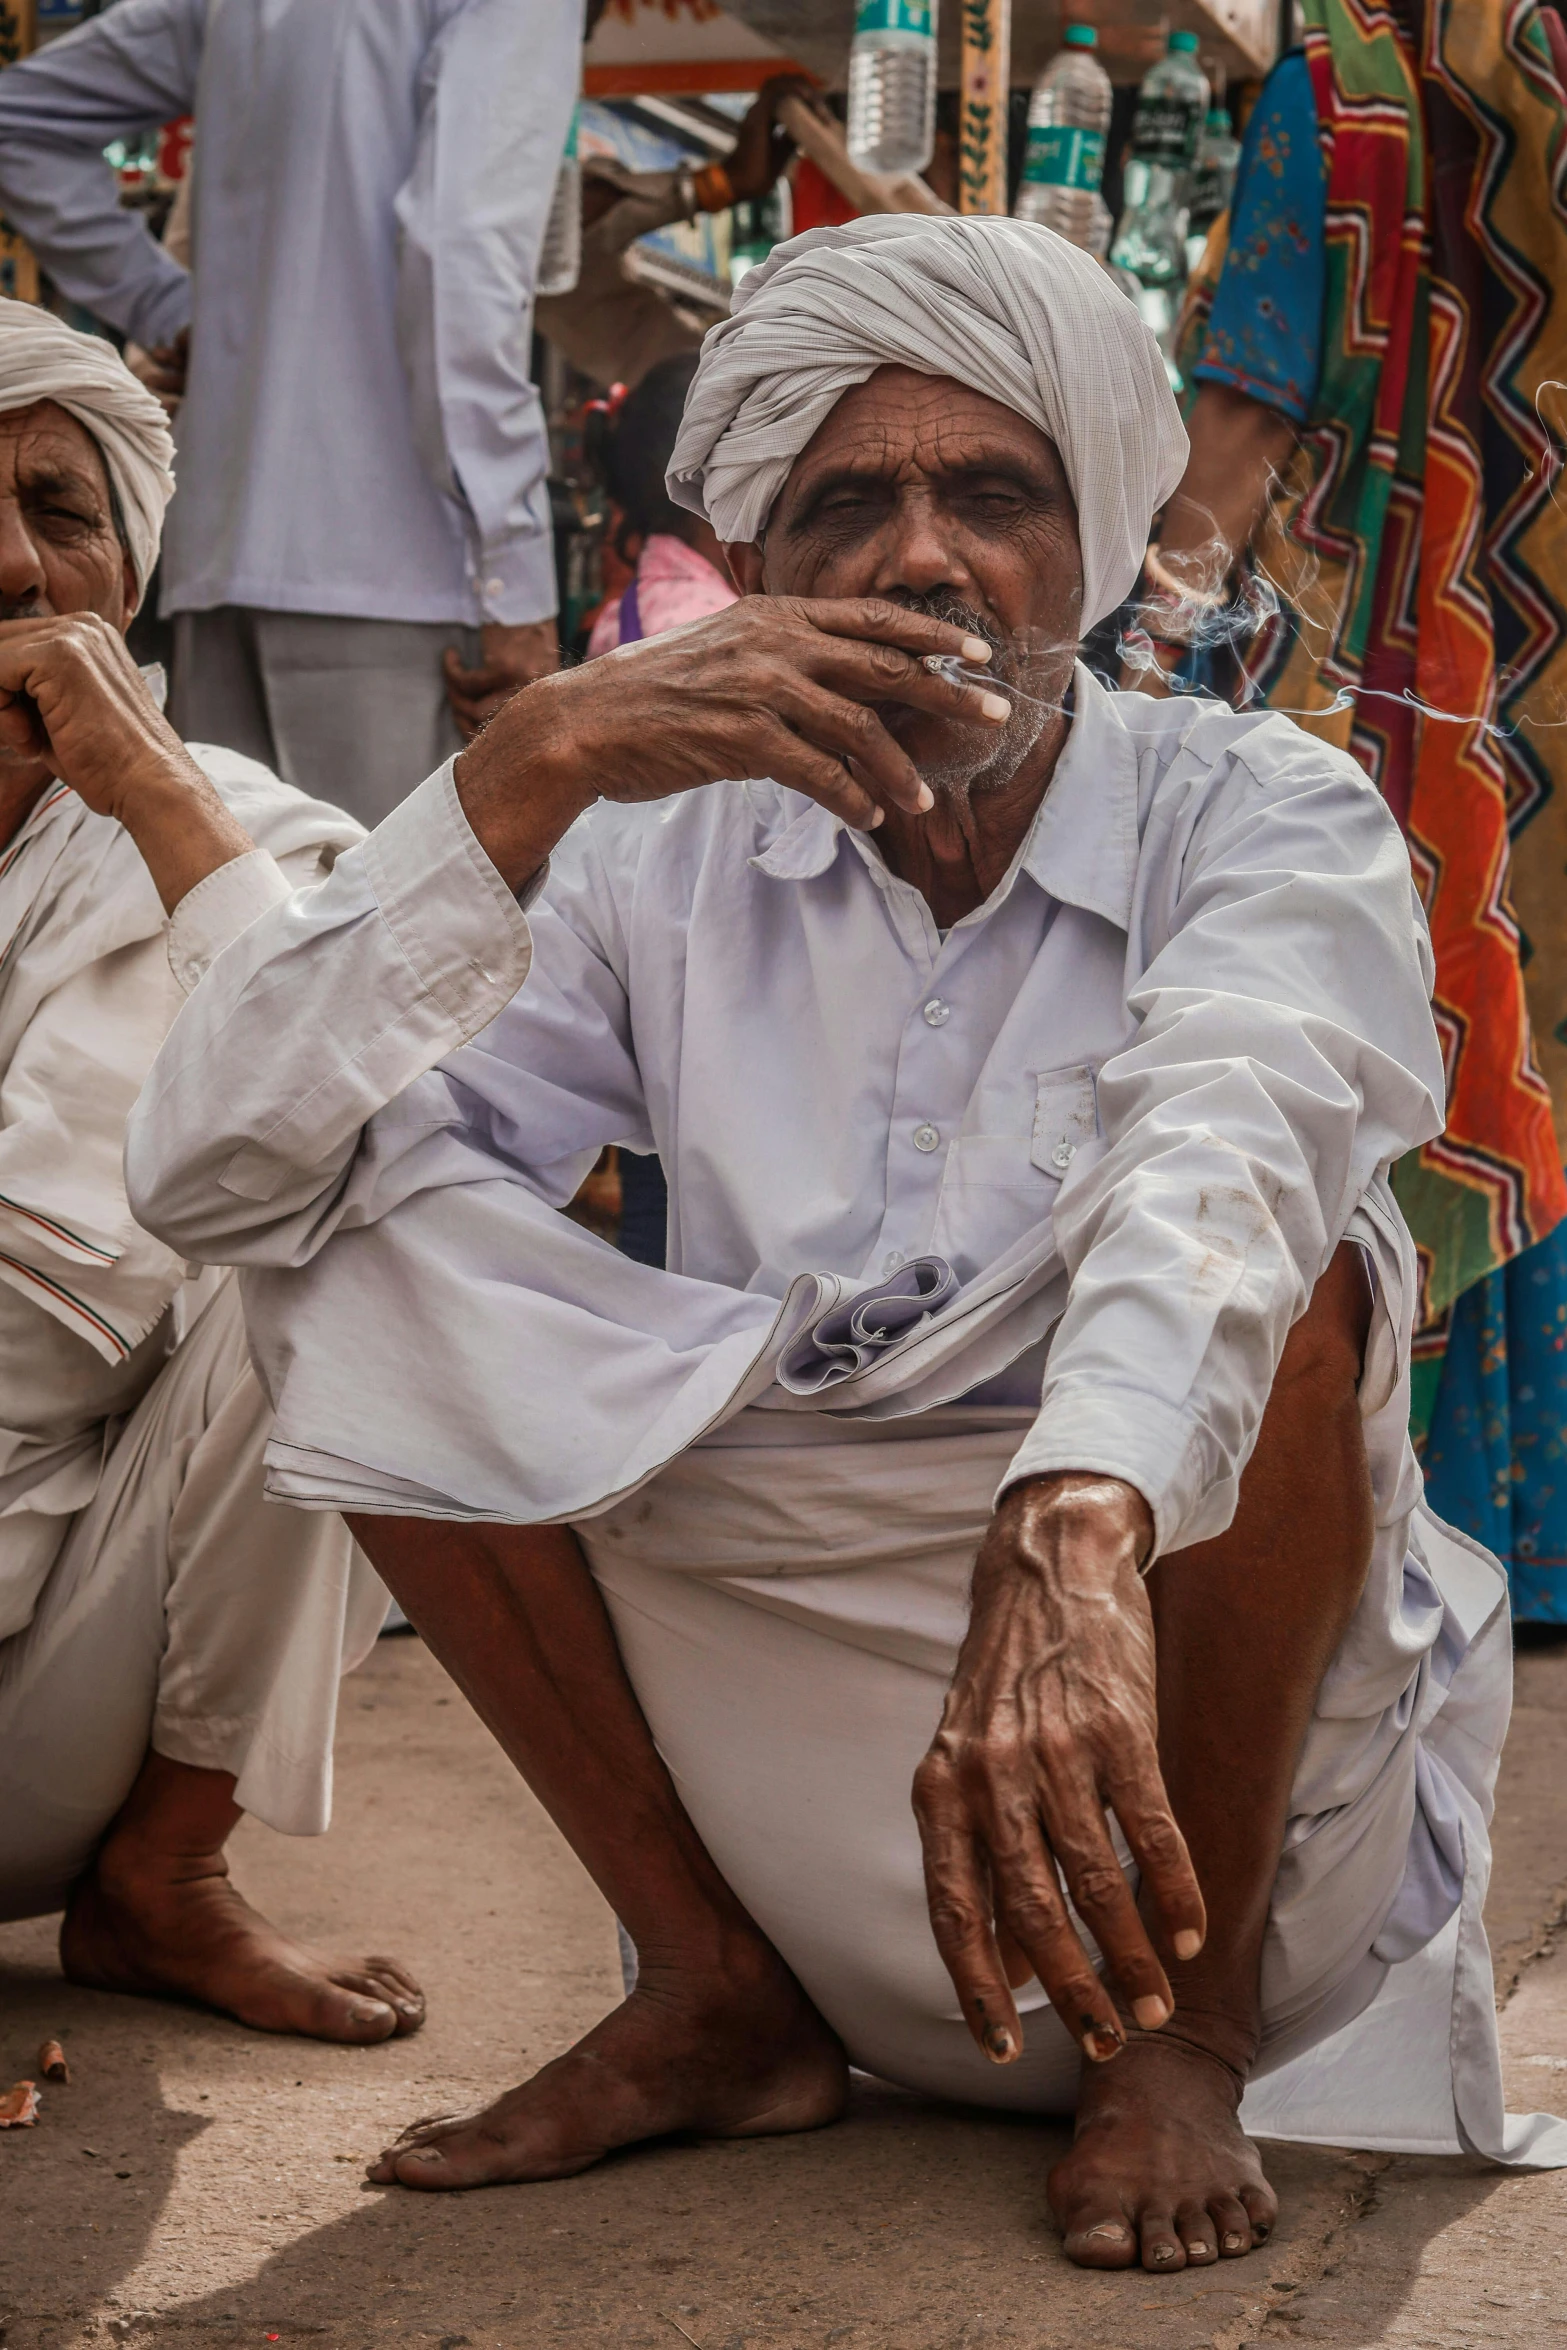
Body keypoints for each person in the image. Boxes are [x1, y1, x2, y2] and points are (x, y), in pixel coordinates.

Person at [127, 217, 1567, 2270]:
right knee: (342, 1235)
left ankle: (1184, 2036)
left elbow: (1231, 1142)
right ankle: (711, 1980)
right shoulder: (646, 842)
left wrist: (1077, 1521)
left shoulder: (1256, 807)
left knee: (1310, 1259)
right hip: (785, 1766)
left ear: (1086, 534)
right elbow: (216, 1170)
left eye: (990, 496)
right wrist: (519, 773)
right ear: (759, 565)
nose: (921, 560)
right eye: (847, 505)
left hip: (1176, 1766)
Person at [0, 299, 423, 2045]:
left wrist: (157, 799)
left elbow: (382, 1114)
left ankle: (163, 1876)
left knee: (357, 1223)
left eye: (57, 508)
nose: (13, 566)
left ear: (127, 575)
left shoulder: (251, 839)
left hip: (43, 1696)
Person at [1132, 0, 1567, 1624]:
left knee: (1392, 1035)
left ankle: (1410, 1497)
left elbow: (1246, 408)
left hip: (1391, 667)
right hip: (1547, 682)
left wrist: (1143, 646)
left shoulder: (1337, 99)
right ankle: (1535, 1530)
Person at [0, 0, 582, 828]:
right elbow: (460, 255)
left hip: (218, 555)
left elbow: (19, 121)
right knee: (392, 931)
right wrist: (514, 578)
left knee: (225, 920)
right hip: (396, 565)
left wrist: (170, 309)